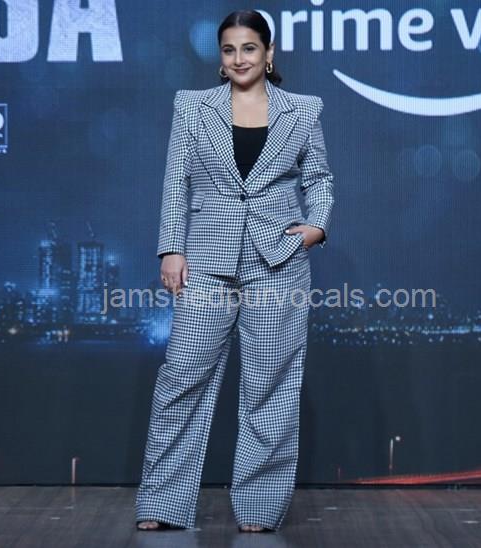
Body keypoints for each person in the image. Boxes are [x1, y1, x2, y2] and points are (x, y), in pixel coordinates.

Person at [135, 9, 334, 533]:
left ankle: (259, 509)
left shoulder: (303, 109)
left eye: (249, 48)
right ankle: (162, 504)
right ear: (220, 59)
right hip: (205, 260)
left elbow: (319, 177)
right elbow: (176, 180)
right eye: (229, 50)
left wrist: (316, 226)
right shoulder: (192, 106)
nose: (239, 58)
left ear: (268, 54)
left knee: (272, 385)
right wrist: (170, 249)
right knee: (182, 378)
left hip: (278, 261)